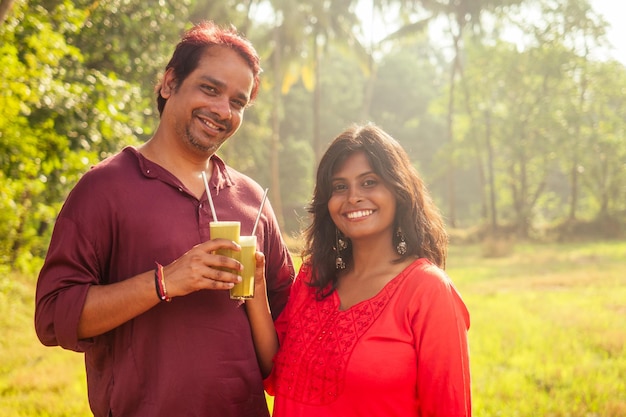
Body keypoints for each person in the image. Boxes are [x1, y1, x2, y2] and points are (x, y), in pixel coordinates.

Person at [34, 21, 294, 417]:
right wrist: (165, 281)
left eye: (238, 102)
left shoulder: (252, 201)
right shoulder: (104, 189)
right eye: (210, 89)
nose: (223, 111)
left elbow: (288, 337)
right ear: (169, 83)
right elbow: (53, 316)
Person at [246, 123, 471, 416]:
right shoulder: (314, 277)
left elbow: (449, 408)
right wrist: (255, 288)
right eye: (340, 187)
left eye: (369, 182)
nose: (353, 197)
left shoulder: (428, 292)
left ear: (399, 191)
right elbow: (275, 372)